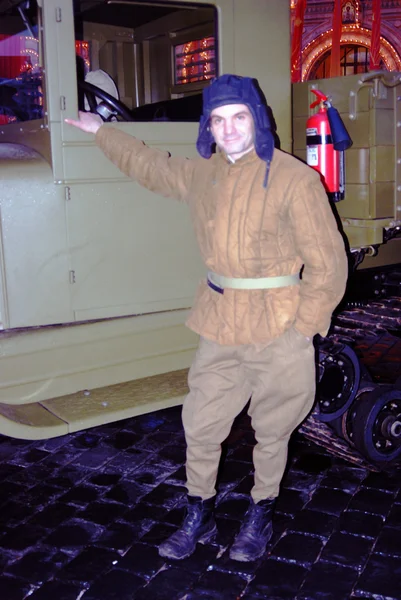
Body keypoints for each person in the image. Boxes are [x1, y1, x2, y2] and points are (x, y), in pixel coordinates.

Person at [65, 74, 348, 562]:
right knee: (200, 423)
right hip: (219, 321)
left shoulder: (294, 179)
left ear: (257, 120)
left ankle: (261, 512)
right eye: (218, 120)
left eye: (239, 117)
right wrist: (101, 130)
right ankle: (200, 511)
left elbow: (329, 263)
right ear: (209, 128)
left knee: (274, 429)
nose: (230, 129)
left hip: (279, 324)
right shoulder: (202, 174)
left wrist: (304, 326)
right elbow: (151, 166)